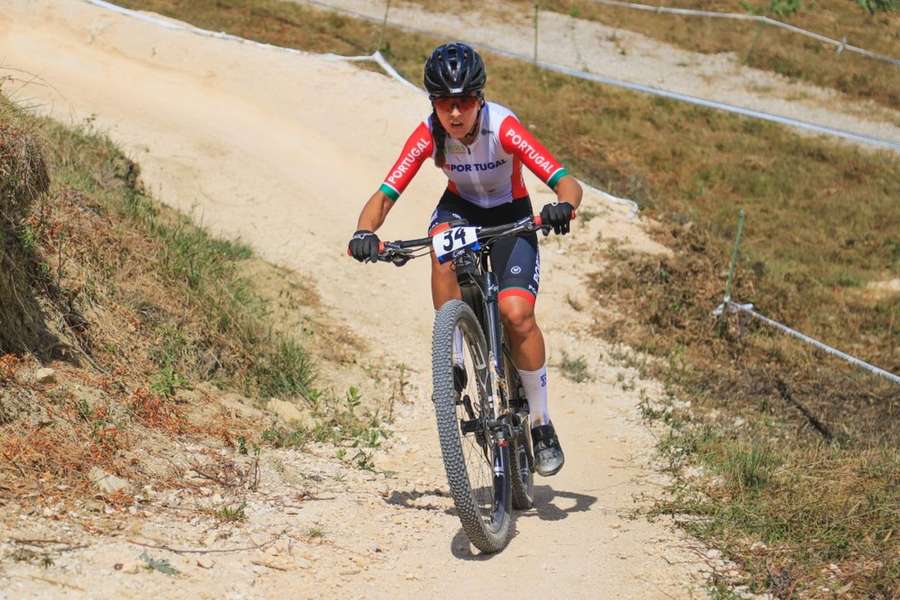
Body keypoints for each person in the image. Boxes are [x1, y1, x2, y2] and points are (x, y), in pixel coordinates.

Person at [348, 42, 581, 477]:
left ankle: (542, 423)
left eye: (465, 103)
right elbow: (385, 194)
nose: (455, 114)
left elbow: (566, 181)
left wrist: (562, 207)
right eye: (444, 104)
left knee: (517, 314)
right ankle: (452, 355)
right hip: (461, 211)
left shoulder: (504, 127)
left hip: (511, 213)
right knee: (442, 249)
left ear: (480, 99)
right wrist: (365, 233)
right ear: (434, 104)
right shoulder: (430, 134)